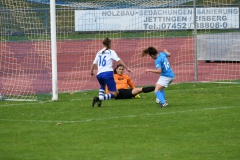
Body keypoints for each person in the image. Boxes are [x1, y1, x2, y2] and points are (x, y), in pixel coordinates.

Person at [90, 37, 131, 107]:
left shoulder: (99, 52)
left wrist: (91, 71)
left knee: (102, 85)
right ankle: (98, 98)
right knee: (115, 93)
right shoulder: (111, 52)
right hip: (107, 74)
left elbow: (94, 63)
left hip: (99, 74)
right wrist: (126, 67)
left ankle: (99, 101)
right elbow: (119, 60)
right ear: (109, 44)